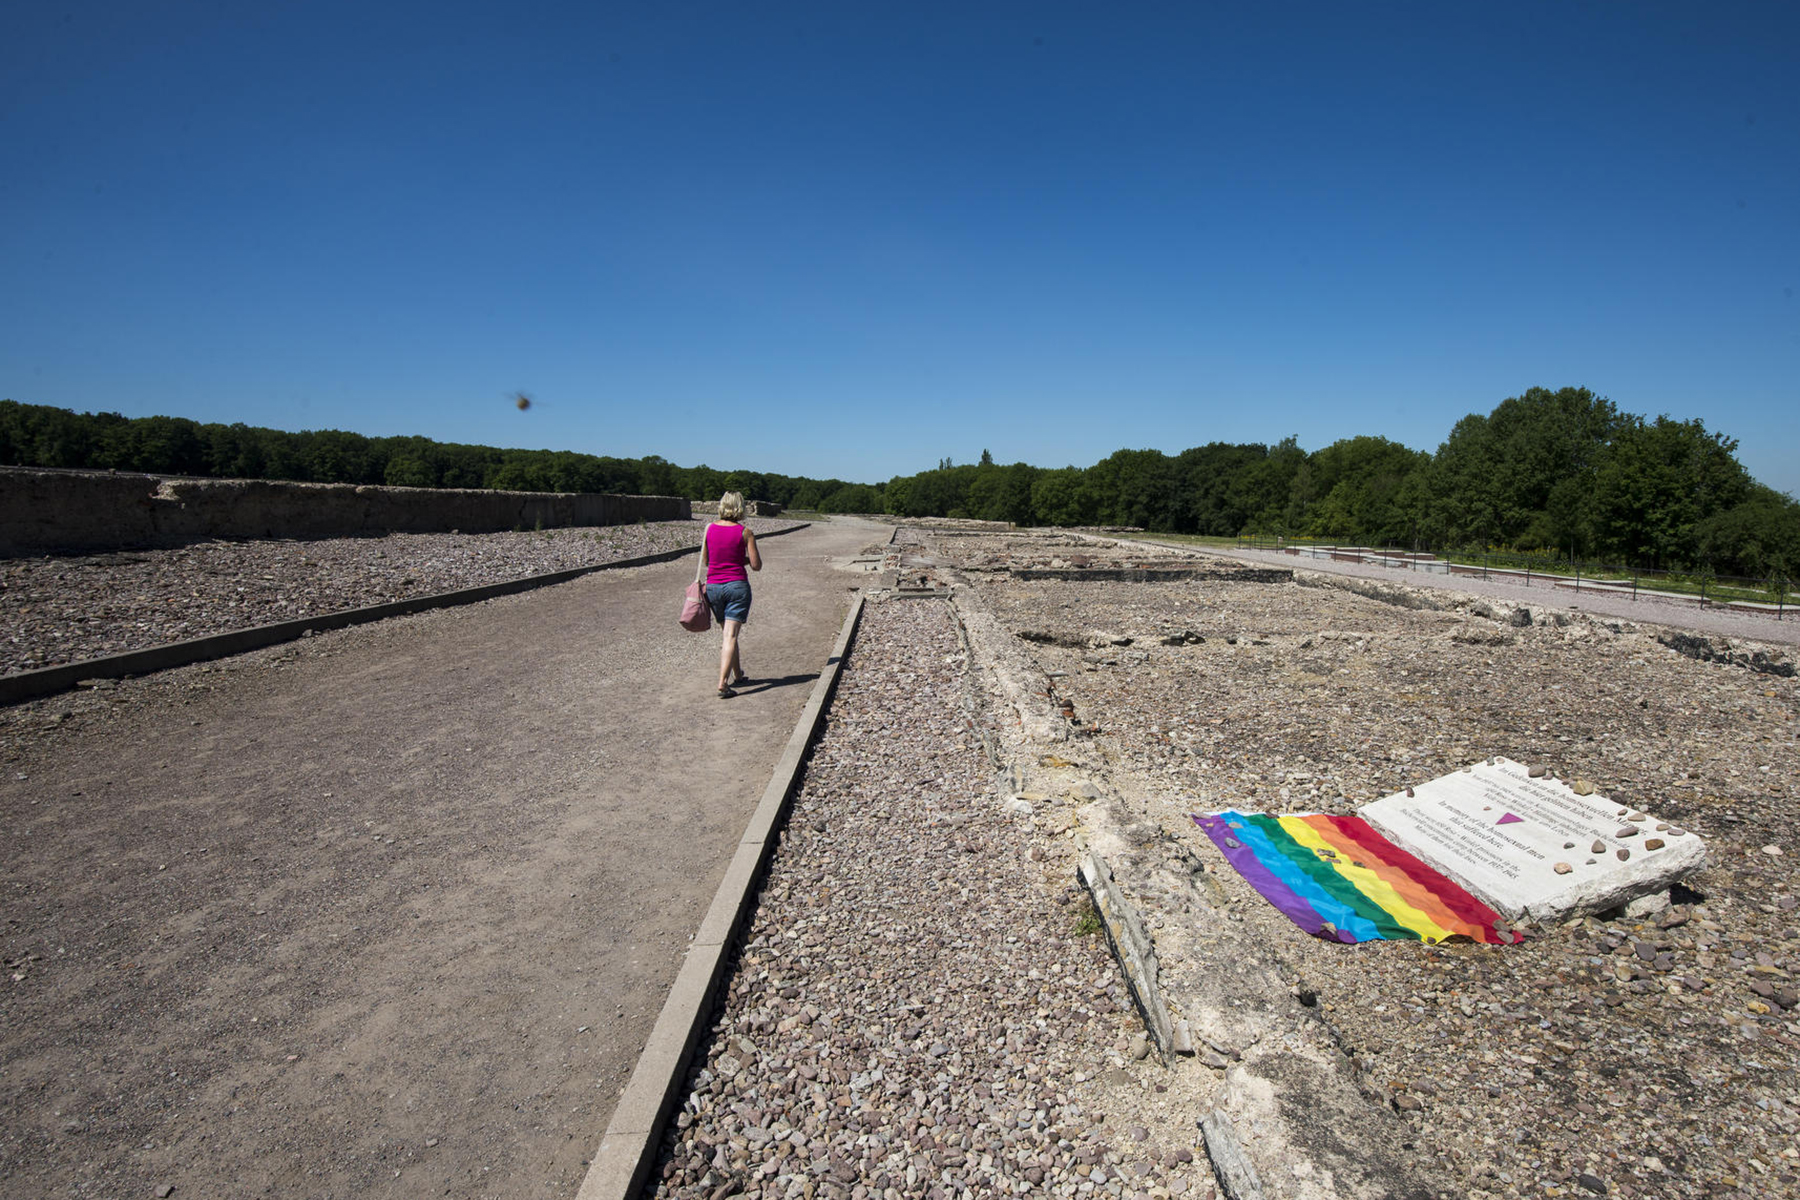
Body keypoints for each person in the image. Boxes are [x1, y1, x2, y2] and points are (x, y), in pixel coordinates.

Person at [698, 491, 762, 698]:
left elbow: (708, 562)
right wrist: (738, 560)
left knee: (728, 634)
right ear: (740, 508)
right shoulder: (745, 532)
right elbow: (756, 565)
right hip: (736, 587)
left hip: (714, 587)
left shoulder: (709, 529)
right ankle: (723, 683)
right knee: (731, 635)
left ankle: (738, 675)